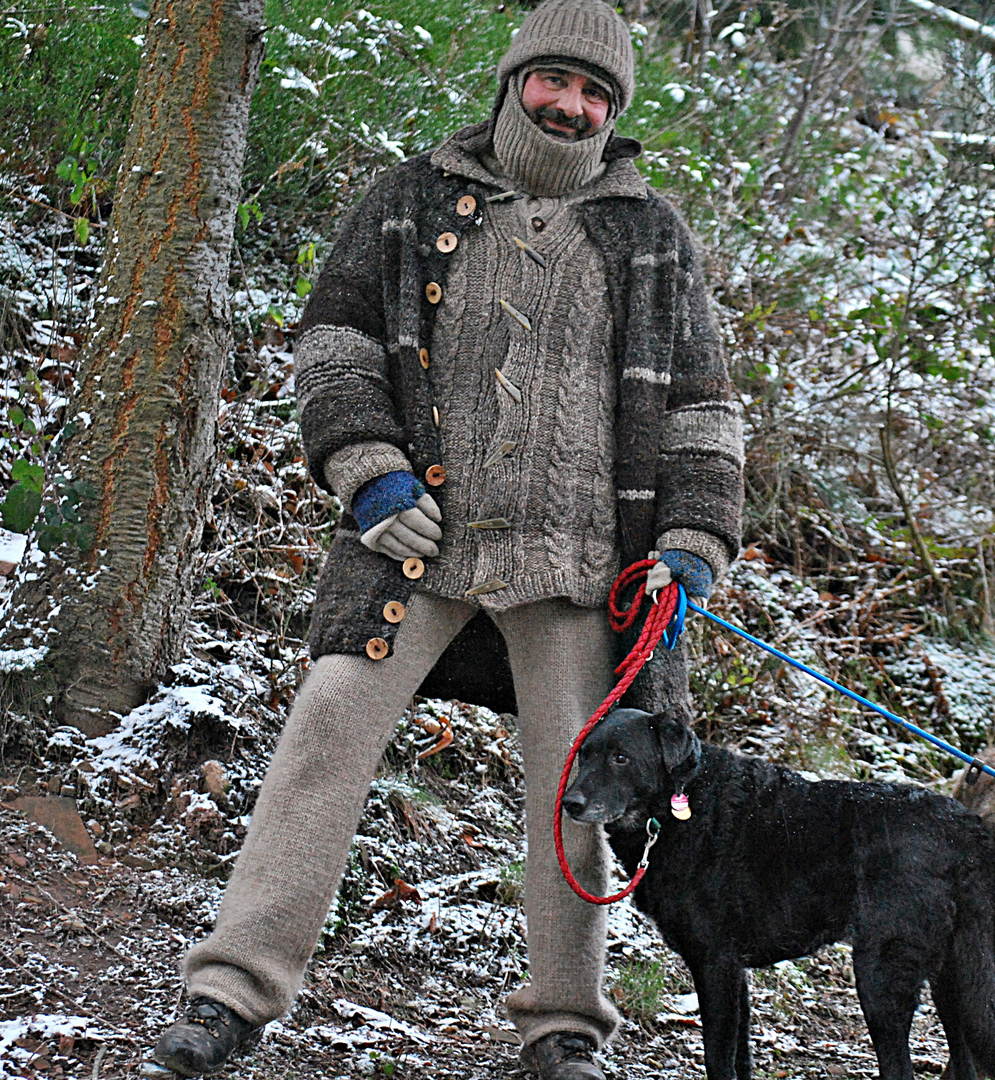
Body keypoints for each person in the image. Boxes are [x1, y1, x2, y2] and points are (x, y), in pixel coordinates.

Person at [153, 2, 742, 1077]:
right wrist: (365, 469)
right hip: (412, 547)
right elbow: (334, 339)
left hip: (578, 570)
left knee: (577, 788)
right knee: (322, 738)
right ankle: (226, 992)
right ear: (513, 80)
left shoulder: (652, 232)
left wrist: (694, 541)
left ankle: (565, 1026)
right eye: (554, 82)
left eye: (595, 93)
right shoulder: (409, 196)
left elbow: (703, 404)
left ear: (612, 111)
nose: (572, 106)